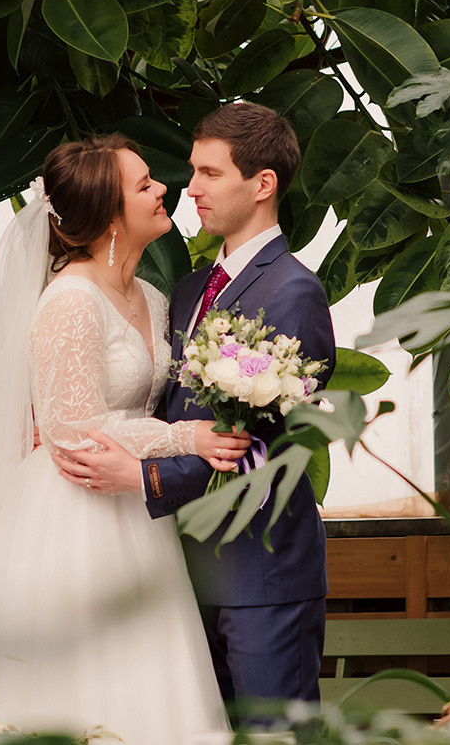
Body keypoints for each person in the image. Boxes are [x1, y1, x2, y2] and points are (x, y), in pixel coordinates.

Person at [0, 133, 253, 745]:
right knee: (84, 681)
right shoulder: (70, 300)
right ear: (109, 217)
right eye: (144, 185)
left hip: (134, 504)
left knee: (149, 678)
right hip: (72, 510)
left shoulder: (152, 299)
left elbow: (141, 403)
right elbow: (69, 428)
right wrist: (190, 438)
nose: (164, 190)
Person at [52, 103, 336, 721]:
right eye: (192, 171)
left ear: (262, 184)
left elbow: (267, 445)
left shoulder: (293, 292)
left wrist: (143, 477)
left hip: (261, 576)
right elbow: (159, 408)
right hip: (179, 571)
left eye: (209, 173)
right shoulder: (184, 291)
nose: (192, 188)